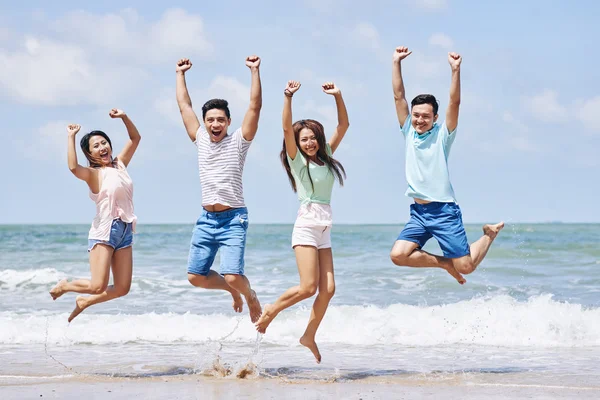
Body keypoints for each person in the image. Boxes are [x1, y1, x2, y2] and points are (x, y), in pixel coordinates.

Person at [389, 46, 504, 284]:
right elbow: (398, 96)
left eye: (426, 116)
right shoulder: (408, 131)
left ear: (435, 118)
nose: (420, 120)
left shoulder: (443, 135)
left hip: (443, 212)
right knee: (398, 255)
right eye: (416, 115)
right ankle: (445, 264)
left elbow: (455, 101)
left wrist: (455, 70)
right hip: (419, 213)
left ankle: (488, 235)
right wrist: (396, 62)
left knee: (467, 266)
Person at [255, 80, 349, 364]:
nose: (309, 143)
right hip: (307, 226)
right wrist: (287, 97)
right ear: (297, 143)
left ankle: (308, 335)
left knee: (328, 289)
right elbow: (286, 128)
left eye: (312, 138)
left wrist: (338, 96)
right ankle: (271, 310)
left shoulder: (327, 156)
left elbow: (343, 125)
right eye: (304, 139)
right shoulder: (297, 161)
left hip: (324, 227)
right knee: (308, 287)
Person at [175, 56, 263, 322]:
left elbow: (255, 107)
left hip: (233, 218)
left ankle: (249, 294)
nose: (215, 124)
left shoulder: (238, 141)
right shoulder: (201, 139)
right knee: (195, 277)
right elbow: (184, 106)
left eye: (220, 120)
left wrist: (255, 71)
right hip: (206, 219)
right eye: (210, 120)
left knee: (233, 274)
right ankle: (232, 290)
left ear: (228, 122)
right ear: (204, 122)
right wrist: (180, 74)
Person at [49, 109, 140, 322]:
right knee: (97, 285)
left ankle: (85, 301)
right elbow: (73, 167)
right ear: (90, 154)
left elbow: (135, 138)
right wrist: (71, 137)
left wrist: (124, 117)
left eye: (104, 143)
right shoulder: (94, 174)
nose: (102, 148)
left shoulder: (120, 164)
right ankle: (66, 285)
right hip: (105, 230)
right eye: (96, 146)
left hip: (125, 230)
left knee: (122, 288)